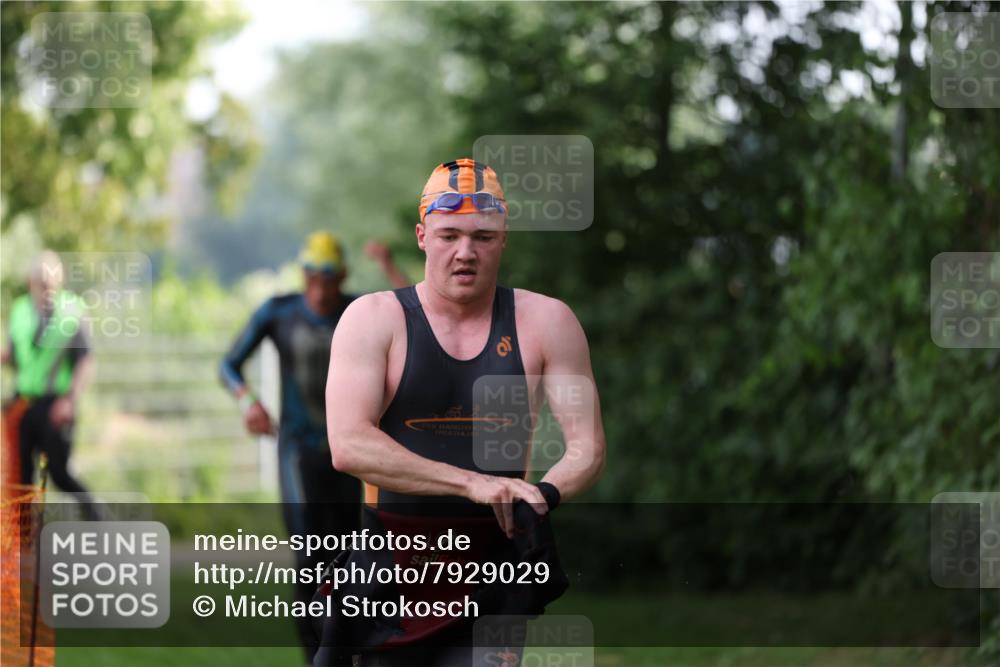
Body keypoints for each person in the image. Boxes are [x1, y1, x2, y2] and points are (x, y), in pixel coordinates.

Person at [322, 159, 607, 666]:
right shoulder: (373, 319)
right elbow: (348, 446)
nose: (465, 252)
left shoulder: (547, 322)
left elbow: (587, 447)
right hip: (388, 574)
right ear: (421, 236)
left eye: (483, 236)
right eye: (449, 234)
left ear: (504, 239)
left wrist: (541, 496)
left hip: (491, 576)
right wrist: (471, 483)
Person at [219, 232, 409, 664]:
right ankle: (314, 658)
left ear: (341, 276)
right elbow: (228, 364)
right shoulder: (279, 311)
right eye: (312, 278)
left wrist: (389, 267)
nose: (320, 289)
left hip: (350, 452)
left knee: (352, 556)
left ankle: (348, 651)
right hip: (298, 450)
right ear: (303, 276)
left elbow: (418, 314)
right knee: (309, 554)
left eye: (329, 279)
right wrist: (249, 402)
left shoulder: (359, 313)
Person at [2, 251, 100, 519]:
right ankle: (24, 546)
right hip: (23, 403)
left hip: (56, 405)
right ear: (29, 281)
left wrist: (69, 400)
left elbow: (85, 360)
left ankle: (99, 523)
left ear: (60, 280)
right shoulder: (20, 310)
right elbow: (14, 355)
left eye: (50, 280)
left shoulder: (73, 311)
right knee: (20, 477)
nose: (45, 286)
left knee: (59, 473)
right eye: (40, 280)